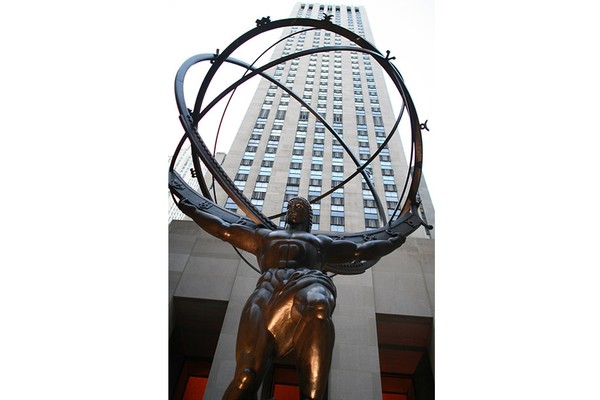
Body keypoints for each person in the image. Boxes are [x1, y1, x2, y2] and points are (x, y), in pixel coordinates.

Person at [178, 196, 405, 400]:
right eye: (290, 206)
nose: (293, 209)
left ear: (309, 216)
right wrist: (192, 210)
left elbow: (359, 250)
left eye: (299, 206)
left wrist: (394, 241)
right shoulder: (264, 236)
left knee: (318, 305)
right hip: (266, 292)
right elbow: (224, 230)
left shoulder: (320, 243)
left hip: (305, 282)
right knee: (245, 378)